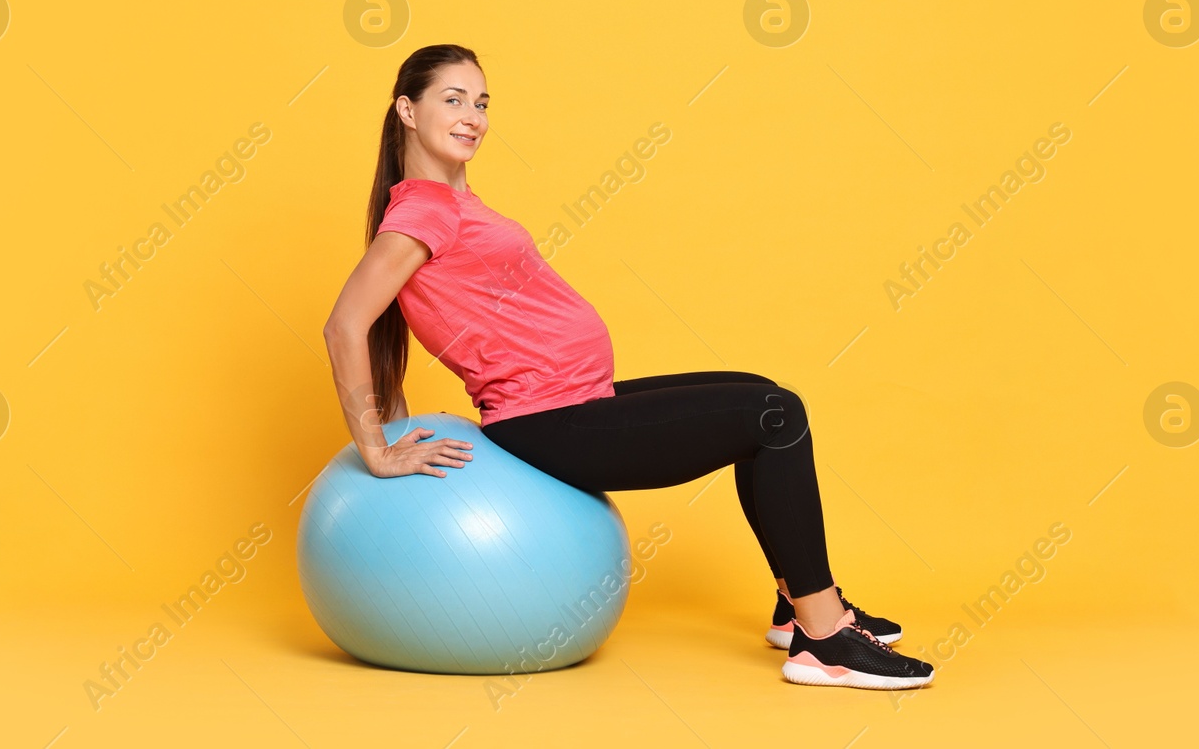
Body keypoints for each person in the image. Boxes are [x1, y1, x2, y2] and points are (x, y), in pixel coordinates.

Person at [321, 43, 934, 690]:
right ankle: (825, 637)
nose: (473, 115)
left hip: (578, 399)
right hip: (548, 420)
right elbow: (345, 325)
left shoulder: (450, 200)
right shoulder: (423, 210)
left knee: (763, 395)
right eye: (453, 99)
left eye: (481, 103)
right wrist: (375, 450)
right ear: (406, 110)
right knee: (775, 416)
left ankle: (800, 598)